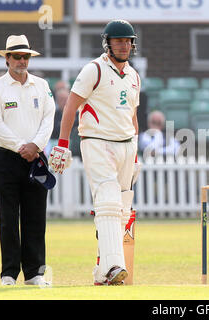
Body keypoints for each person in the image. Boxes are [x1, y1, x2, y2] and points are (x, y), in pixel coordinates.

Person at [48, 20, 141, 285]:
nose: (124, 45)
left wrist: (135, 153)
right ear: (107, 43)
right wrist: (63, 143)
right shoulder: (94, 69)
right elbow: (70, 107)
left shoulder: (134, 75)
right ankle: (114, 266)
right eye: (118, 41)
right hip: (97, 141)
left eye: (128, 41)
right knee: (108, 200)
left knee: (121, 208)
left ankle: (103, 271)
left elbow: (133, 116)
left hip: (126, 144)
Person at [0, 35, 55, 286]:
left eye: (25, 56)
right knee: (9, 216)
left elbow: (49, 118)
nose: (22, 61)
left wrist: (35, 146)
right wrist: (20, 147)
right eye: (17, 56)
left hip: (36, 157)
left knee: (36, 216)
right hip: (6, 158)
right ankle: (9, 273)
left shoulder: (42, 85)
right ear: (7, 59)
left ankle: (35, 273)